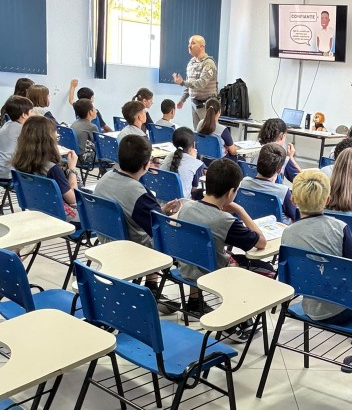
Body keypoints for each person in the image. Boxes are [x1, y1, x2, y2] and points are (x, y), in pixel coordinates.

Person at [94, 134, 182, 312]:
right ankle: (154, 290)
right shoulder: (137, 192)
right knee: (175, 240)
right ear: (146, 165)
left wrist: (161, 210)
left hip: (106, 240)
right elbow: (161, 230)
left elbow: (138, 211)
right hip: (131, 248)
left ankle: (152, 289)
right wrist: (176, 215)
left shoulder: (104, 179)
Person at [177, 158, 266, 332]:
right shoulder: (225, 220)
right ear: (231, 192)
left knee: (199, 248)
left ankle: (194, 302)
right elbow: (261, 242)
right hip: (214, 273)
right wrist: (240, 210)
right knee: (267, 269)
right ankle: (237, 318)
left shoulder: (187, 207)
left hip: (186, 266)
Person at [281, 169, 352, 323]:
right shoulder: (340, 228)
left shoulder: (287, 233)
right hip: (345, 307)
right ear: (328, 200)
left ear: (293, 199)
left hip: (309, 307)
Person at [12, 115, 80, 222]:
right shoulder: (52, 169)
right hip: (64, 219)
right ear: (48, 141)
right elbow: (73, 200)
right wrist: (72, 169)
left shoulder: (20, 162)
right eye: (56, 137)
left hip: (39, 212)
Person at [239, 142, 299, 224]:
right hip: (278, 231)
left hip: (250, 226)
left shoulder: (244, 183)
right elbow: (295, 215)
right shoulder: (283, 192)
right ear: (279, 170)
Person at [172, 35, 218, 129]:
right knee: (197, 133)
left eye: (193, 43)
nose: (189, 46)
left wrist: (182, 83)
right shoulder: (191, 63)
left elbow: (201, 83)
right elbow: (190, 84)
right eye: (189, 43)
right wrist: (182, 99)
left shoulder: (208, 63)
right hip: (194, 104)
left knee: (207, 133)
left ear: (202, 46)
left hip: (207, 106)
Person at [160, 126, 205, 198]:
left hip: (161, 201)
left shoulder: (168, 157)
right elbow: (193, 190)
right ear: (193, 145)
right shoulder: (197, 164)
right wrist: (194, 159)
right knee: (202, 192)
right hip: (182, 205)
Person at [257, 118, 302, 183]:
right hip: (274, 191)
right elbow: (303, 182)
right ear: (281, 136)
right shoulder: (282, 158)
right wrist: (291, 158)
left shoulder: (256, 154)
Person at [0, 95, 33, 181]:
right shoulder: (21, 129)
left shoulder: (8, 123)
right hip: (8, 172)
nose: (33, 114)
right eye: (31, 111)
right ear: (24, 115)